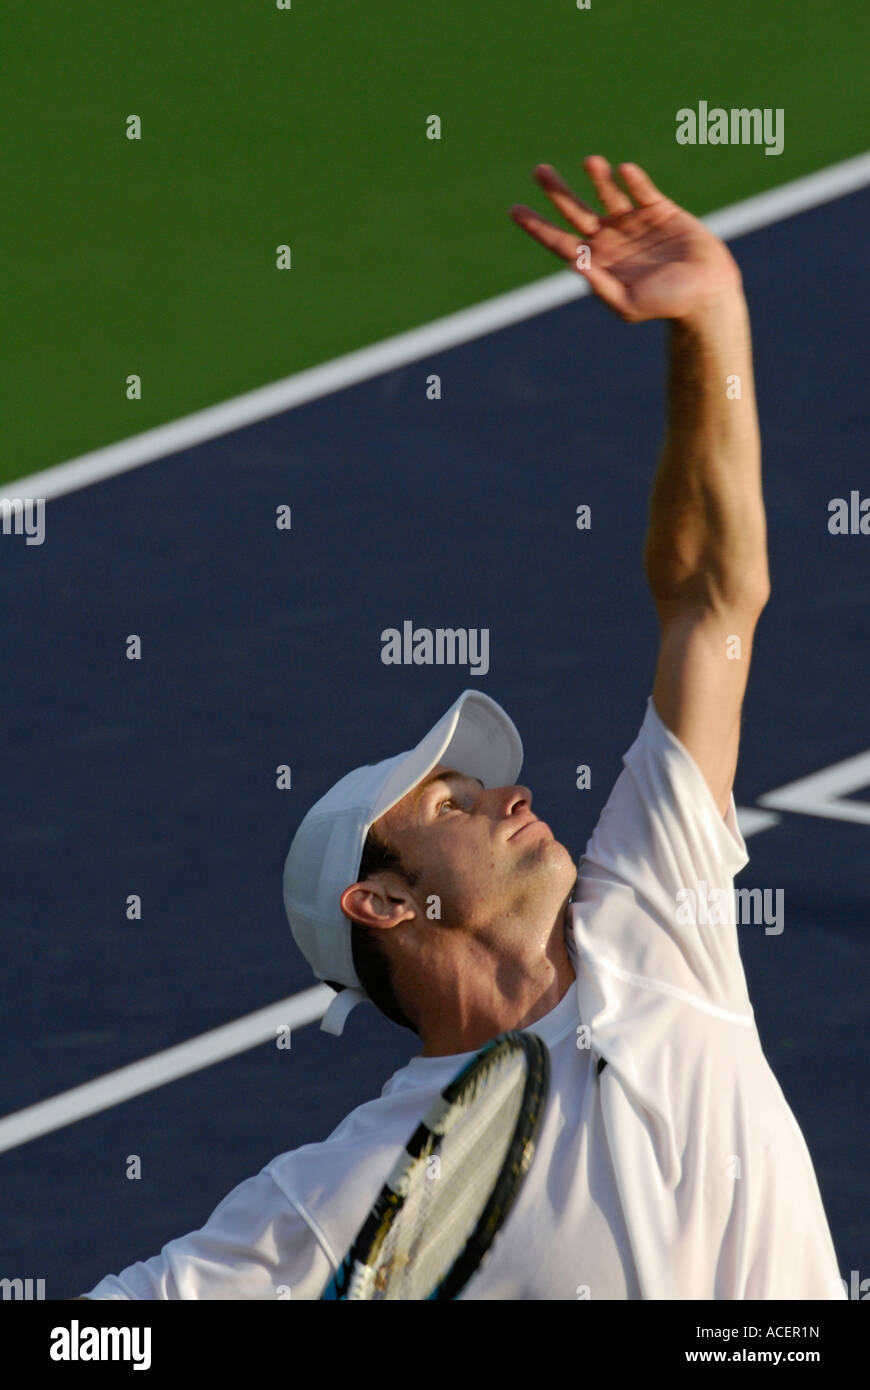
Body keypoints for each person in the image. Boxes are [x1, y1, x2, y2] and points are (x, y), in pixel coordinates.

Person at [80, 156, 844, 1299]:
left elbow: (710, 598)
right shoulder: (346, 1195)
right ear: (386, 903)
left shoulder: (653, 907)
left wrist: (715, 319)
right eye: (453, 803)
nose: (510, 795)